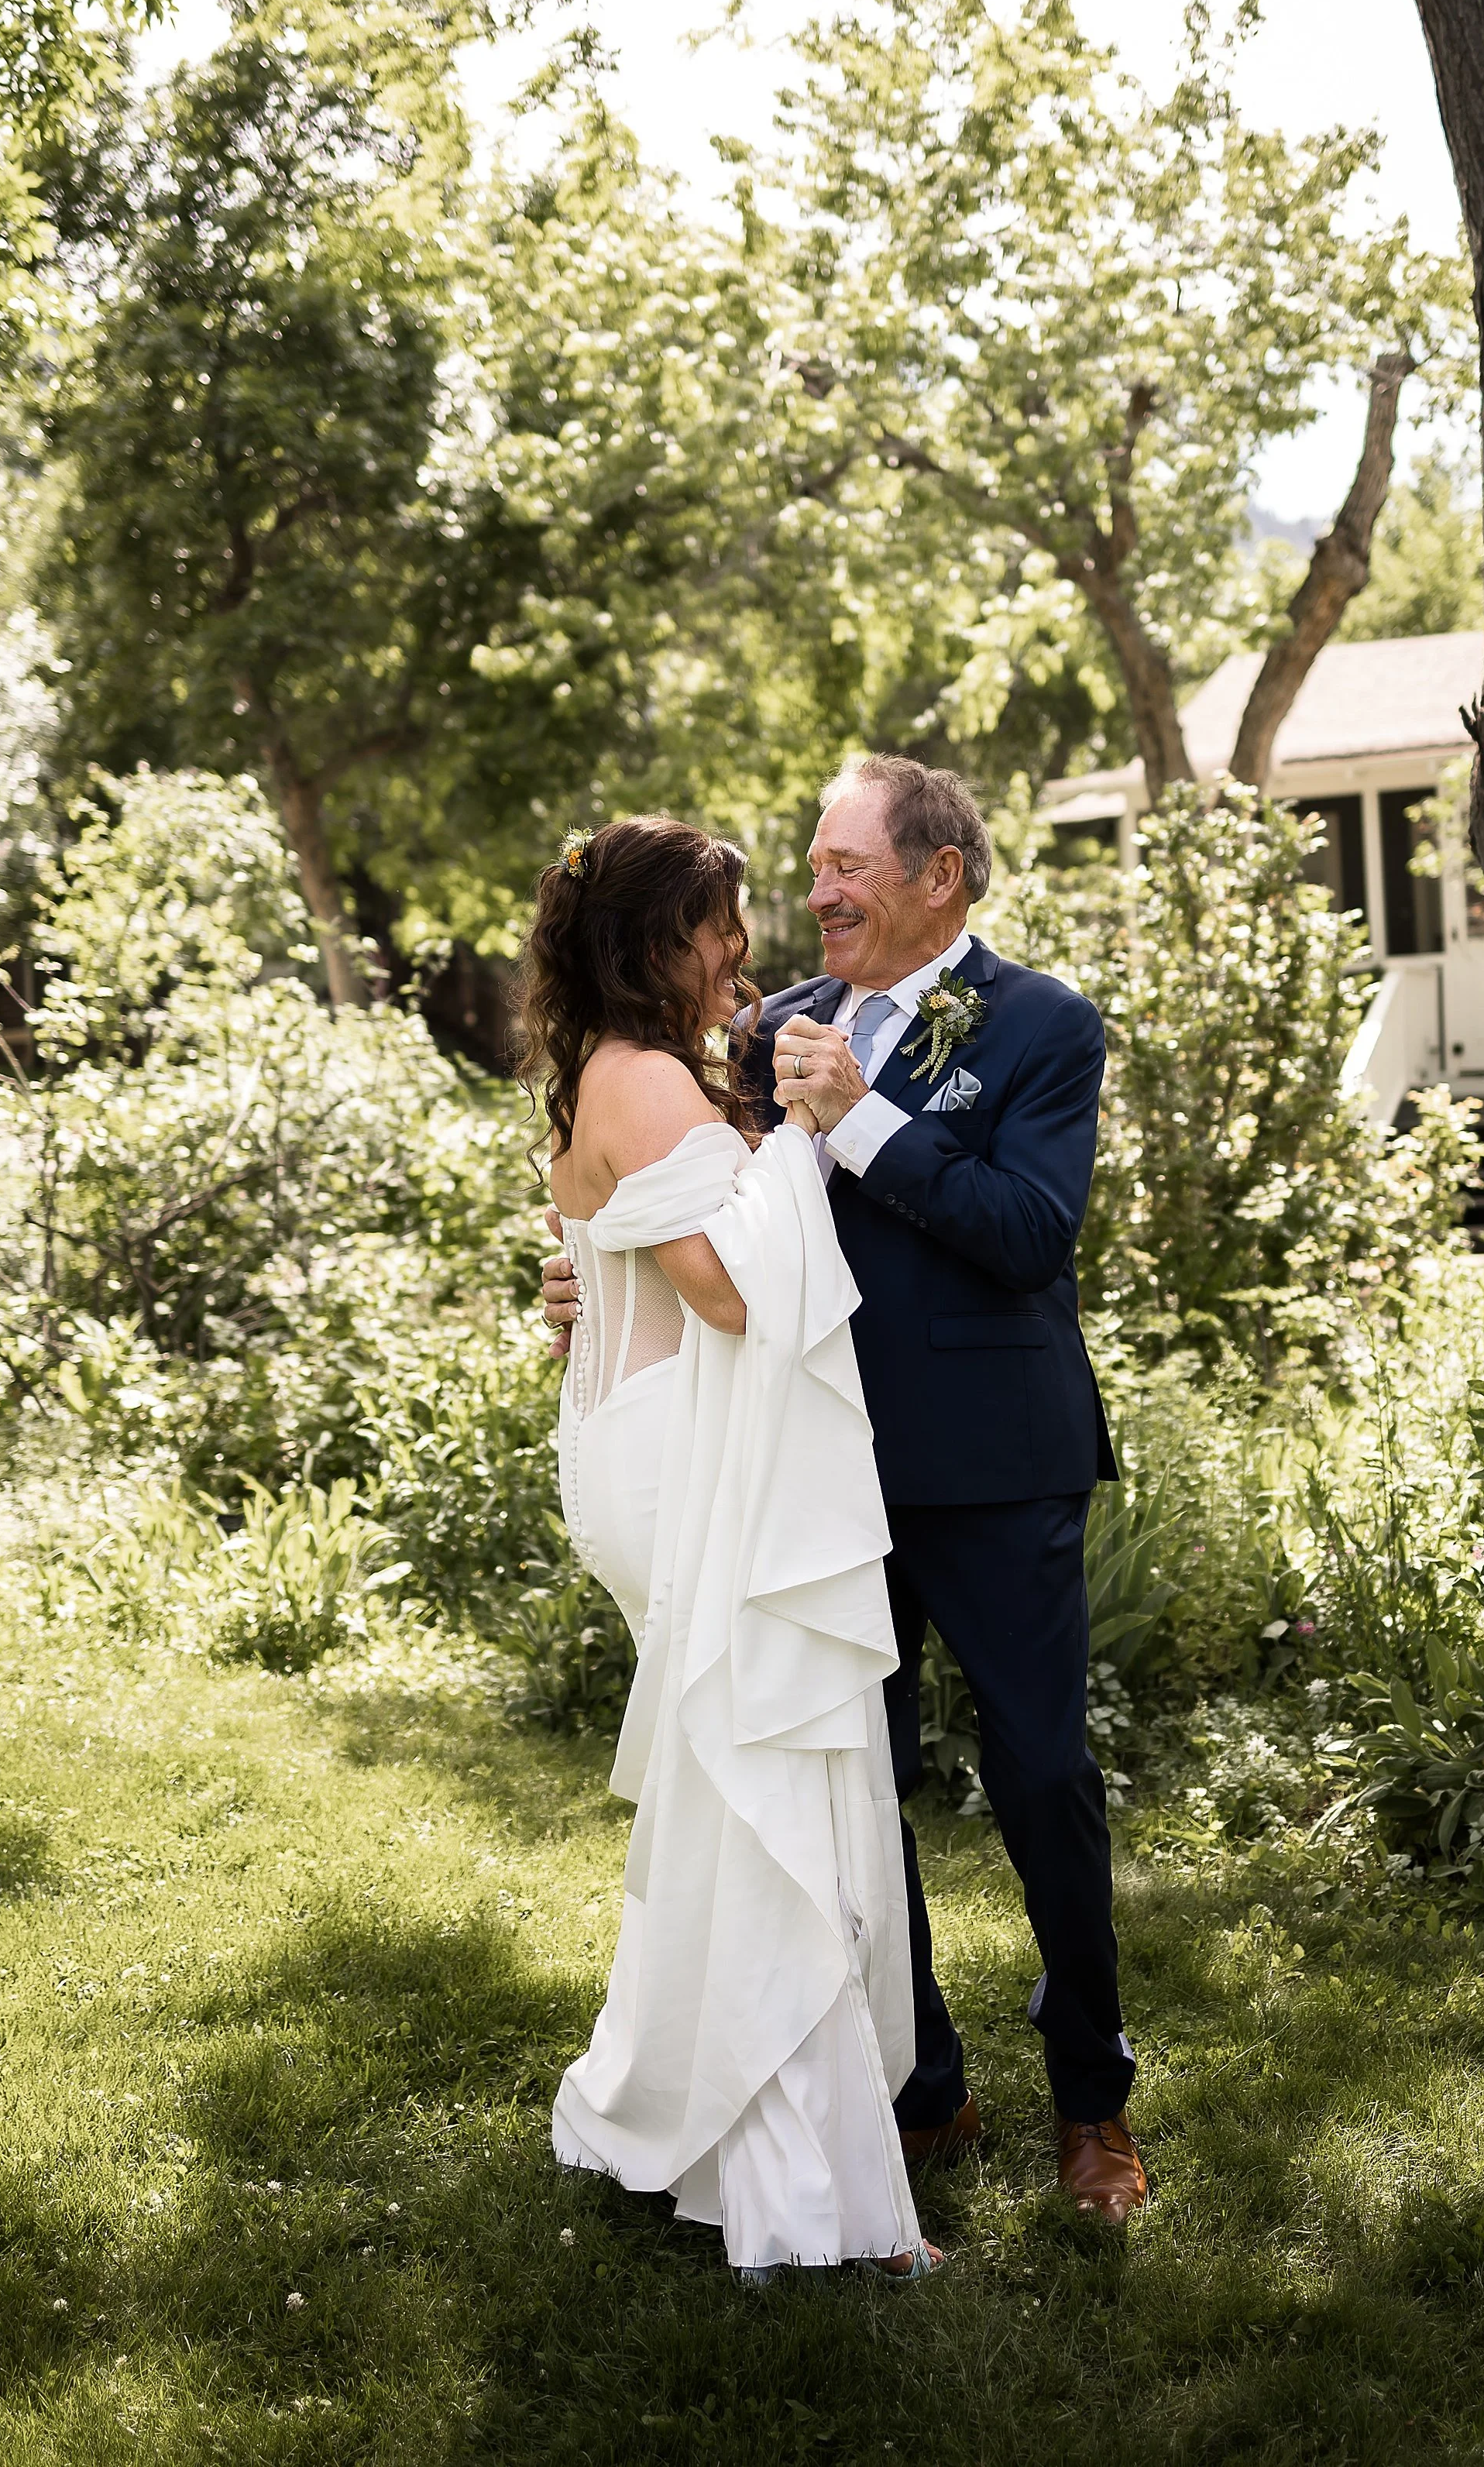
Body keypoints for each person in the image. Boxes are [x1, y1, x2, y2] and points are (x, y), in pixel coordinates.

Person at [544, 764, 1146, 2225]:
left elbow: (1025, 1234)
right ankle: (917, 2085)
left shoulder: (1045, 1025)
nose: (815, 897)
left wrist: (867, 1118)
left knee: (1043, 1777)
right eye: (810, 869)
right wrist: (596, 1272)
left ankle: (1093, 2103)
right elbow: (687, 1211)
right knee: (844, 1794)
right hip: (799, 1481)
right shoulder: (748, 1037)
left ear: (942, 875)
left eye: (845, 866)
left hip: (994, 1471)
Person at [519, 813, 934, 2283]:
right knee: (761, 1785)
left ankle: (693, 2105)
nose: (738, 951)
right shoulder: (645, 1082)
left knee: (723, 1783)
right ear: (654, 941)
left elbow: (620, 1252)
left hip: (654, 1448)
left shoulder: (606, 1075)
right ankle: (785, 2185)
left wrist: (760, 1144)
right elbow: (732, 1295)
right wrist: (807, 1142)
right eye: (716, 925)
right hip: (686, 1456)